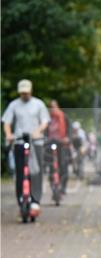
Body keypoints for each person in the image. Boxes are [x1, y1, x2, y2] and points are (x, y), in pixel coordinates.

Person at [3, 80, 49, 215]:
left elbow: (45, 121)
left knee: (36, 172)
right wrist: (8, 134)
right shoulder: (14, 105)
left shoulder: (38, 104)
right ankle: (21, 200)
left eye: (26, 92)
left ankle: (35, 201)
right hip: (19, 142)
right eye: (22, 93)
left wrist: (38, 131)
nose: (24, 95)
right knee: (20, 173)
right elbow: (6, 122)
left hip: (36, 142)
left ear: (31, 91)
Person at [46, 99, 71, 197]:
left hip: (62, 143)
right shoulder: (47, 118)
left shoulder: (63, 116)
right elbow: (44, 130)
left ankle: (63, 188)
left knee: (63, 166)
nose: (53, 108)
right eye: (51, 107)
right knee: (51, 166)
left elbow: (69, 128)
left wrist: (67, 138)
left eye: (54, 106)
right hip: (50, 143)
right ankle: (54, 188)